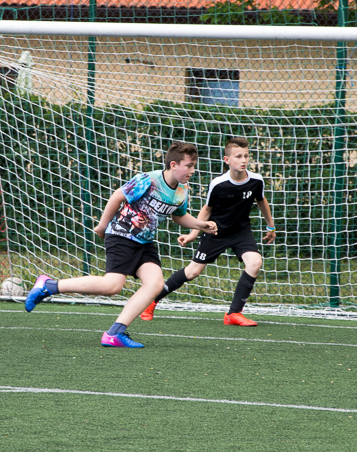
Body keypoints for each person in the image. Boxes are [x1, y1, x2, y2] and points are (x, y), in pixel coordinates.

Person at [23, 141, 217, 348]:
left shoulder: (182, 190)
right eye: (189, 166)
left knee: (155, 284)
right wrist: (102, 225)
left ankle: (115, 333)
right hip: (122, 235)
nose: (193, 171)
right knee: (112, 286)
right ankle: (49, 286)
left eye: (194, 166)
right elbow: (117, 197)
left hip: (144, 242)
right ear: (173, 165)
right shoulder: (148, 180)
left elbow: (178, 216)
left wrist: (200, 225)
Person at [141, 136, 276, 327]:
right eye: (238, 156)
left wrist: (271, 226)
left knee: (255, 262)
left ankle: (233, 313)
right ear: (227, 160)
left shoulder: (256, 181)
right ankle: (151, 301)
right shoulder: (219, 184)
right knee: (192, 272)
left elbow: (261, 201)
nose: (244, 160)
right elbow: (207, 209)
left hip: (241, 232)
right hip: (215, 232)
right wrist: (193, 234)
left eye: (246, 156)